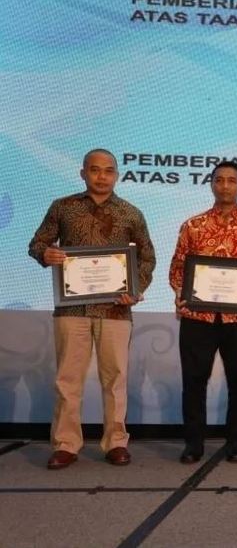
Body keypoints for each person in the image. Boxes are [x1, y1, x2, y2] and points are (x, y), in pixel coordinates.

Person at [28, 148, 156, 470]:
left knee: (115, 379)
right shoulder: (63, 207)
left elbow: (147, 258)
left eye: (108, 170)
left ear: (117, 175)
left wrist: (135, 289)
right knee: (68, 379)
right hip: (72, 309)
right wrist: (46, 254)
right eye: (95, 170)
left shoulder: (131, 213)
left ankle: (116, 442)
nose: (102, 176)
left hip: (116, 311)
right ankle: (66, 444)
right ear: (83, 173)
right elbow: (38, 243)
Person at [169, 161, 237, 464]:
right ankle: (193, 444)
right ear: (211, 183)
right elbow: (178, 267)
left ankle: (236, 442)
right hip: (197, 317)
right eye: (219, 180)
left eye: (231, 180)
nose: (225, 185)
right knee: (194, 381)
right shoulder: (193, 225)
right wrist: (181, 294)